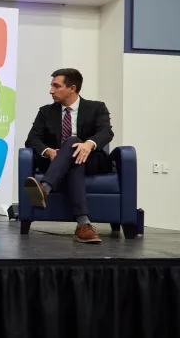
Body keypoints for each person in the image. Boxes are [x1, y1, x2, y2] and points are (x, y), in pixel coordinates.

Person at [23, 68, 113, 244]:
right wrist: (48, 151)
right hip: (56, 162)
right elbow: (32, 139)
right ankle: (83, 225)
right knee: (74, 163)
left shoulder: (97, 108)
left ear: (72, 88)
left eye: (57, 86)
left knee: (73, 142)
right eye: (51, 86)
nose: (51, 91)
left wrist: (89, 144)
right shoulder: (46, 111)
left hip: (92, 160)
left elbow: (106, 132)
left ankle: (45, 188)